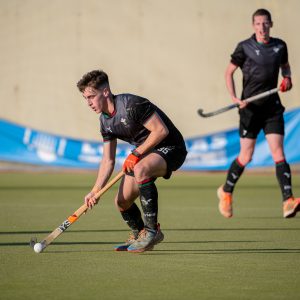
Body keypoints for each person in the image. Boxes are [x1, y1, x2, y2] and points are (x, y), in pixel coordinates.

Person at [77, 70, 187, 252]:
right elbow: (108, 160)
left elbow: (161, 131)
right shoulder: (105, 122)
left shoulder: (131, 104)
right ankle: (139, 234)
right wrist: (95, 191)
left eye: (91, 96)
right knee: (121, 202)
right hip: (145, 154)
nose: (89, 103)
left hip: (172, 148)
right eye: (85, 98)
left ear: (105, 92)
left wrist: (136, 153)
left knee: (141, 169)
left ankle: (152, 231)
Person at [217, 8, 300, 218]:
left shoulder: (280, 46)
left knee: (278, 153)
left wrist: (287, 79)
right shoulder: (244, 47)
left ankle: (288, 201)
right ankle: (226, 191)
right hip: (250, 109)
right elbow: (228, 73)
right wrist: (235, 98)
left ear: (271, 24)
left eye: (265, 23)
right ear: (253, 26)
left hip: (272, 107)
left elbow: (286, 67)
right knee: (246, 156)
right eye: (258, 24)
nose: (262, 27)